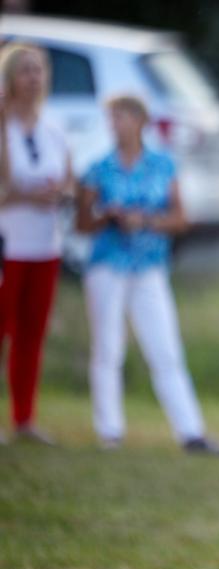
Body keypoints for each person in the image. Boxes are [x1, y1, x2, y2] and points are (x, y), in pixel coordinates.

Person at [75, 95, 219, 455]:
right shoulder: (99, 168)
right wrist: (107, 216)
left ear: (141, 121)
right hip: (108, 263)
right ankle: (109, 430)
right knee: (108, 347)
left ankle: (190, 432)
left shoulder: (162, 164)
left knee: (165, 347)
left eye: (123, 117)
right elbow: (82, 224)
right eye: (112, 118)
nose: (116, 125)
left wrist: (144, 220)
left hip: (149, 266)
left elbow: (181, 219)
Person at [0, 43, 74, 445]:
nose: (33, 78)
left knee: (32, 335)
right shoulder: (3, 126)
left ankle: (23, 419)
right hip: (7, 244)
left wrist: (60, 192)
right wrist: (28, 195)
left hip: (45, 246)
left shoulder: (53, 126)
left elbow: (69, 180)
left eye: (38, 70)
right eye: (25, 70)